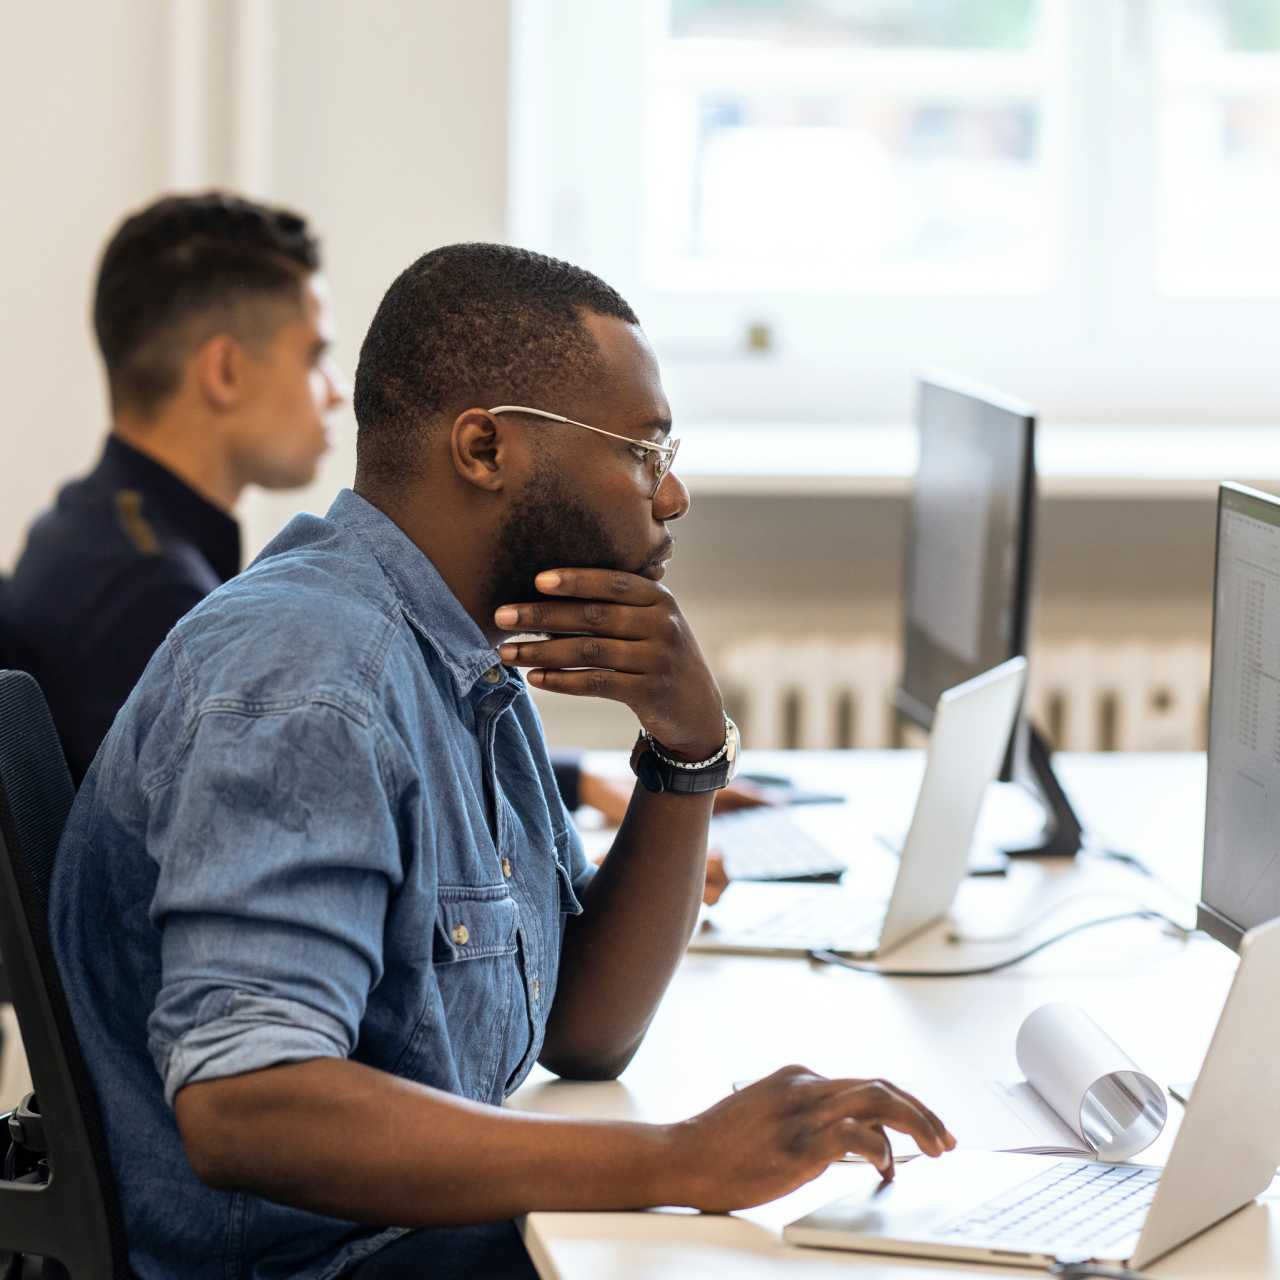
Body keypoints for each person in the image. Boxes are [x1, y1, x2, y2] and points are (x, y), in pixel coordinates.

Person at [50, 242, 955, 1280]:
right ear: (483, 447)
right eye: (643, 452)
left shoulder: (461, 661)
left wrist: (684, 752)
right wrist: (674, 1155)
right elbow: (250, 1104)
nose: (671, 499)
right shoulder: (312, 678)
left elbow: (583, 1028)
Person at [1, 192, 347, 783]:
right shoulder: (159, 601)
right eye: (315, 357)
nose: (336, 390)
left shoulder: (79, 528)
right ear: (225, 372)